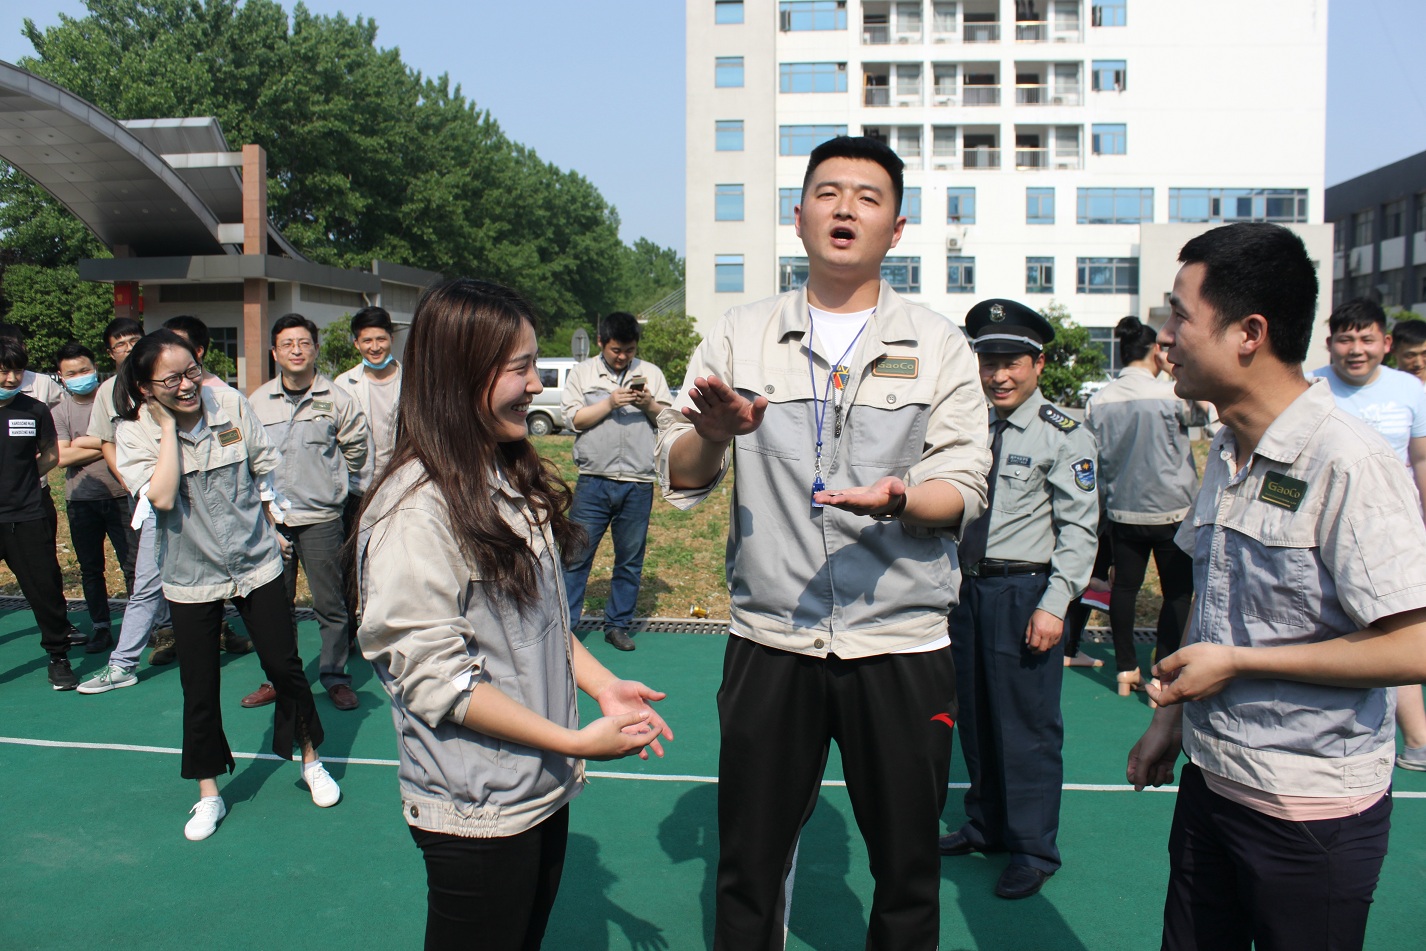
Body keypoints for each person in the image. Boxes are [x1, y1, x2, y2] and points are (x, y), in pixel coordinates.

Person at [657, 135, 989, 949]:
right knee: (746, 865)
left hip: (902, 644)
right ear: (797, 214)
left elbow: (965, 488)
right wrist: (710, 430)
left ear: (897, 227)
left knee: (908, 871)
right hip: (773, 639)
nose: (846, 208)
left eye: (867, 197)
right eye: (828, 192)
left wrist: (903, 495)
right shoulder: (739, 334)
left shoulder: (939, 344)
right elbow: (683, 476)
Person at [1127, 222, 1426, 950]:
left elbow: (1414, 646)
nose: (1165, 338)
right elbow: (1221, 595)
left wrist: (1241, 663)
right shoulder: (1228, 446)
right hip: (1215, 779)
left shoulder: (1346, 459)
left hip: (1312, 811)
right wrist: (1173, 717)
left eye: (1179, 314)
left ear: (1248, 332)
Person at [356, 277, 672, 951]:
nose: (537, 386)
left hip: (535, 788)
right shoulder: (415, 510)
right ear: (460, 375)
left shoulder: (503, 472)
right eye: (521, 368)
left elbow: (541, 621)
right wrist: (576, 741)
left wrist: (599, 685)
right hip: (478, 809)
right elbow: (439, 679)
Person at [114, 330, 339, 840]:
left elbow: (263, 470)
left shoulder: (231, 404)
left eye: (192, 370)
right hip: (191, 577)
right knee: (200, 686)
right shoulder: (134, 434)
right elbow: (164, 498)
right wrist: (170, 428)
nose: (188, 384)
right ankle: (208, 794)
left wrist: (275, 527)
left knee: (285, 668)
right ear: (147, 387)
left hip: (256, 564)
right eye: (171, 379)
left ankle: (310, 761)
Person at [938, 299, 1100, 900]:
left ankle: (1033, 848)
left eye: (1011, 362)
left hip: (1023, 591)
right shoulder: (969, 426)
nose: (999, 375)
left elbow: (1081, 529)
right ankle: (986, 825)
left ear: (1037, 363)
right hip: (967, 589)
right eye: (988, 361)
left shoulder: (1064, 433)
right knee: (976, 715)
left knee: (1027, 725)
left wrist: (1055, 604)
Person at [1310, 299, 1426, 772]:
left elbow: (1420, 461)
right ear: (1330, 343)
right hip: (1329, 533)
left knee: (1398, 632)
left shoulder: (1410, 389)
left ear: (1386, 343)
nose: (1355, 350)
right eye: (1345, 339)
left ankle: (1417, 739)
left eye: (1366, 339)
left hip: (1398, 535)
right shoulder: (1314, 386)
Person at [247, 314, 368, 712]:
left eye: (304, 343)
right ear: (274, 353)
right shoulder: (257, 401)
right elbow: (247, 458)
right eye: (287, 344)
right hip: (272, 521)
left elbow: (357, 451)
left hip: (320, 519)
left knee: (330, 604)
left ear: (315, 349)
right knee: (274, 608)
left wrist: (331, 487)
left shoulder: (337, 399)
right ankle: (279, 679)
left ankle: (335, 677)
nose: (296, 351)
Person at [1084, 317, 1198, 696]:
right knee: (1177, 593)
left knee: (1125, 589)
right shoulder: (1172, 395)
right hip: (1173, 511)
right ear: (1155, 351)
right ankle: (1161, 672)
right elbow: (1204, 423)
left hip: (1122, 510)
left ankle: (1125, 668)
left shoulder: (1098, 400)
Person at [561, 311, 673, 651]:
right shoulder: (582, 374)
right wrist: (610, 402)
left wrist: (648, 403)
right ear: (600, 343)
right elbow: (574, 419)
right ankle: (563, 629)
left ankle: (618, 625)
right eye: (615, 349)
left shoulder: (650, 373)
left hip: (638, 482)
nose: (622, 356)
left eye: (629, 349)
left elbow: (669, 418)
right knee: (576, 556)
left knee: (629, 559)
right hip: (593, 482)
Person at [82, 318, 179, 683]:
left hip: (208, 507)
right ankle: (123, 663)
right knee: (146, 585)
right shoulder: (130, 422)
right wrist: (137, 485)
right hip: (156, 506)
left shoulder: (204, 403)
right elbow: (113, 446)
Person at [0, 335, 77, 689]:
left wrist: (27, 477)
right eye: (3, 371)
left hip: (27, 515)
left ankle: (58, 657)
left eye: (16, 371)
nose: (11, 379)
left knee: (44, 589)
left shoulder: (34, 410)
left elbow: (50, 453)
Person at [52, 343, 132, 657]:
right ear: (61, 376)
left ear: (95, 368)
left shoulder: (115, 399)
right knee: (90, 569)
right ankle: (100, 626)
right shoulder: (59, 411)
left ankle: (143, 624)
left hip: (120, 494)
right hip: (81, 500)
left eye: (84, 370)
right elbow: (61, 457)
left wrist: (81, 444)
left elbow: (129, 441)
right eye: (71, 373)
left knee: (132, 565)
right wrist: (107, 441)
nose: (79, 377)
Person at [1389, 317, 1426, 384]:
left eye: (1424, 354)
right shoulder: (1386, 386)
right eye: (1410, 355)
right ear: (1393, 351)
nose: (1418, 364)